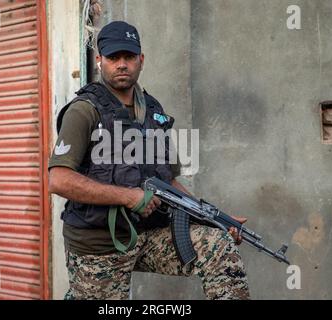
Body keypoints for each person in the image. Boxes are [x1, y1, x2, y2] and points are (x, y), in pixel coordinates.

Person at [48, 21, 250, 300]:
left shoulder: (153, 111)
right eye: (113, 57)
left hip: (149, 235)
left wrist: (213, 218)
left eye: (129, 57)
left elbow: (170, 182)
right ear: (99, 61)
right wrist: (128, 197)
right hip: (99, 245)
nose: (122, 64)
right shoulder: (85, 110)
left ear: (141, 60)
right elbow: (58, 180)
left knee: (219, 245)